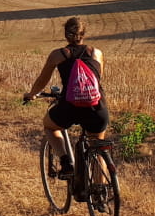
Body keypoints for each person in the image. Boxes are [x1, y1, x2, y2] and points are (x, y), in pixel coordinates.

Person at [23, 16, 108, 176]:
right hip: (96, 107)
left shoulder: (58, 55)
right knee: (97, 147)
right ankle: (100, 196)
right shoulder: (97, 53)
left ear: (65, 35)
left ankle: (66, 162)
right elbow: (98, 78)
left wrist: (31, 94)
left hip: (70, 106)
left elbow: (42, 79)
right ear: (84, 34)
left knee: (49, 125)